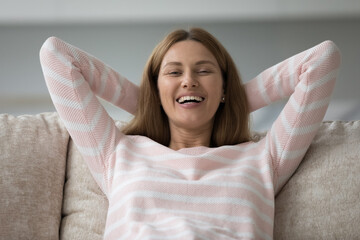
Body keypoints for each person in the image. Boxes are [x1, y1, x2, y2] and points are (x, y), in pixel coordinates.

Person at [40, 28, 341, 239]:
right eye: (173, 72)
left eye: (204, 71)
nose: (189, 81)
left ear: (224, 85)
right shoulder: (119, 153)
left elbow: (321, 61)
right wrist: (151, 103)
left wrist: (230, 98)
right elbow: (56, 56)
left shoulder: (263, 158)